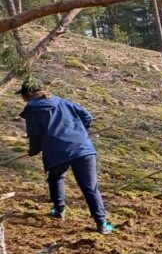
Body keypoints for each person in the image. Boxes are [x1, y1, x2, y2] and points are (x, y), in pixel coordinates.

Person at [18, 78, 113, 234]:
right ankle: (101, 223)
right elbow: (87, 116)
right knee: (90, 187)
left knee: (56, 177)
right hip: (82, 148)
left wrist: (34, 150)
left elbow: (35, 134)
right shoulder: (62, 101)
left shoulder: (32, 110)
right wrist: (80, 133)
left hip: (57, 151)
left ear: (28, 93)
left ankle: (59, 210)